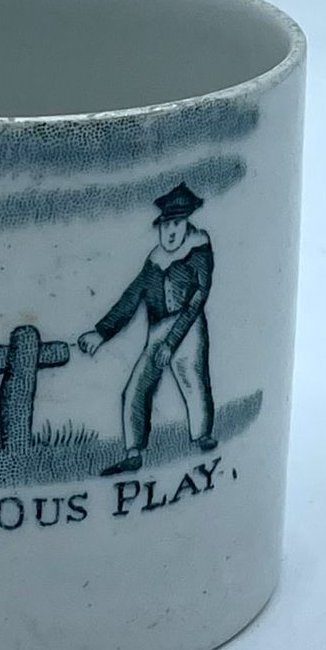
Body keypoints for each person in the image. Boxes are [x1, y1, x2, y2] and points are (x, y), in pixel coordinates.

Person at [78, 183, 218, 476]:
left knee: (192, 379)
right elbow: (132, 296)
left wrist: (171, 343)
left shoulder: (198, 252)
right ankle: (133, 452)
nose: (170, 232)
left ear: (187, 224)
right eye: (166, 225)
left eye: (176, 224)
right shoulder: (155, 260)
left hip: (188, 326)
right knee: (136, 388)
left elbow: (198, 299)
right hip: (158, 328)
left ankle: (203, 436)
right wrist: (101, 333)